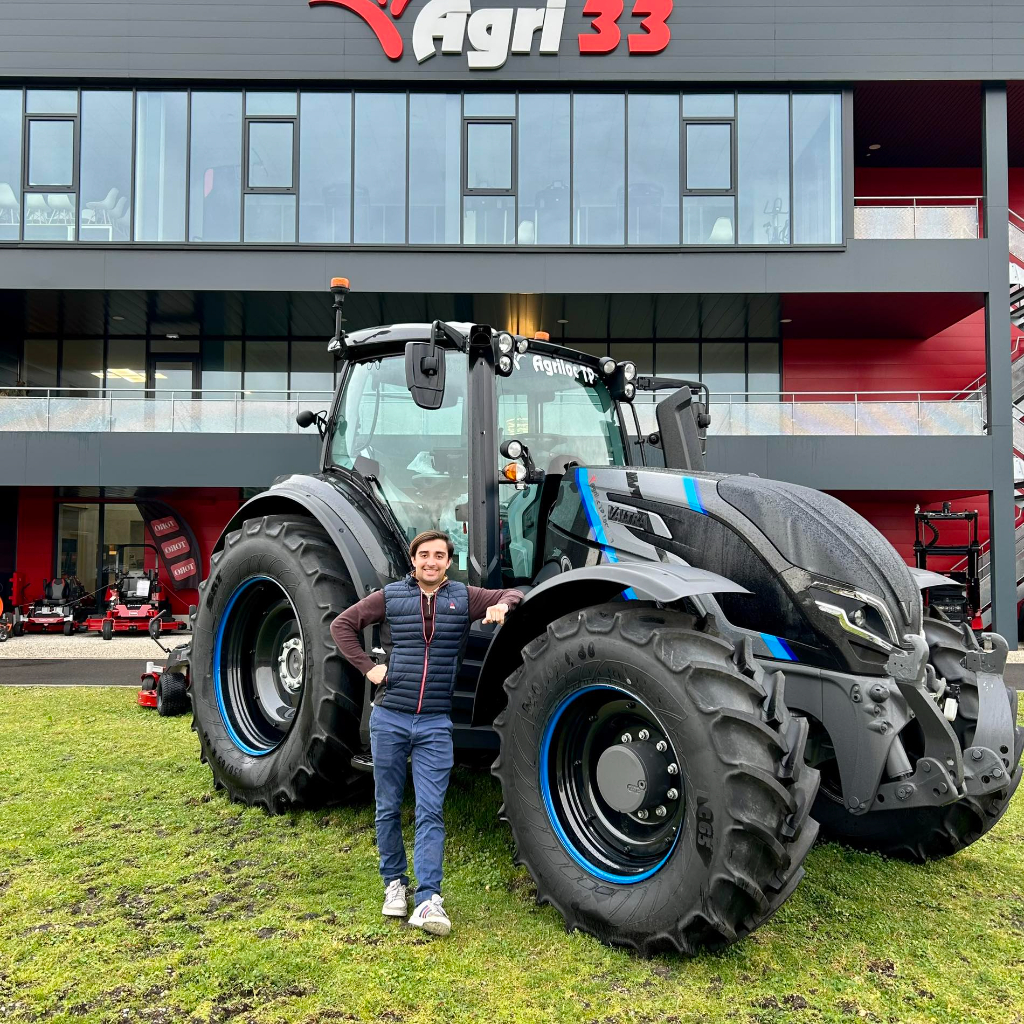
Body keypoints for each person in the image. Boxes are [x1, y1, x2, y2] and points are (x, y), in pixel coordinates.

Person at [331, 529, 524, 936]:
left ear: (448, 562)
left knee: (431, 810)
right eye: (424, 555)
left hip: (435, 722)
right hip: (390, 717)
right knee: (387, 806)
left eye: (438, 555)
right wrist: (369, 669)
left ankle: (428, 899)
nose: (431, 562)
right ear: (413, 560)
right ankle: (394, 884)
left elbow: (514, 593)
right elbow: (342, 625)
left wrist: (502, 606)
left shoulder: (464, 597)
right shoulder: (391, 596)